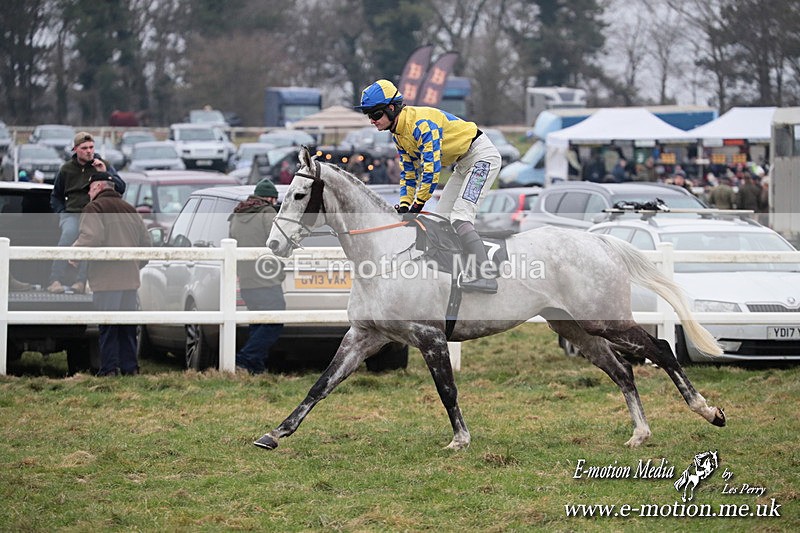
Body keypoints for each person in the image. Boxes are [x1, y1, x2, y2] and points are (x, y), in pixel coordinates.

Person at [355, 79, 501, 293]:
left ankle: (487, 276)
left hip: (482, 158)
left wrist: (417, 205)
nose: (371, 120)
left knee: (460, 217)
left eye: (375, 114)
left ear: (392, 108)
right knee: (441, 220)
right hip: (463, 164)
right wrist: (405, 204)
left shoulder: (421, 124)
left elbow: (431, 171)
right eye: (368, 115)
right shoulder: (398, 134)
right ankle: (459, 270)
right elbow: (409, 173)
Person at [72, 172, 149, 376]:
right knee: (127, 328)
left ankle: (109, 369)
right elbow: (147, 244)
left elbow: (91, 236)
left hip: (106, 280)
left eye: (89, 188)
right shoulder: (130, 209)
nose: (88, 193)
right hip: (130, 280)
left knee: (108, 327)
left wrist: (73, 254)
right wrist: (135, 266)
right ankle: (130, 368)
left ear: (97, 187)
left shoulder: (94, 208)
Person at [49, 132, 125, 294]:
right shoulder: (66, 169)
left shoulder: (102, 164)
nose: (89, 151)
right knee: (68, 235)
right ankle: (55, 279)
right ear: (75, 150)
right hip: (72, 213)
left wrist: (105, 173)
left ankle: (81, 281)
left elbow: (121, 187)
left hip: (94, 214)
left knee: (91, 240)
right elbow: (55, 197)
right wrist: (62, 213)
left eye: (91, 147)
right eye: (84, 148)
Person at [228, 178, 285, 374]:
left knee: (258, 322)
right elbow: (277, 242)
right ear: (270, 198)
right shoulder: (268, 213)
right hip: (267, 278)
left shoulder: (237, 213)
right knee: (275, 320)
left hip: (246, 279)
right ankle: (245, 359)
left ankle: (255, 368)